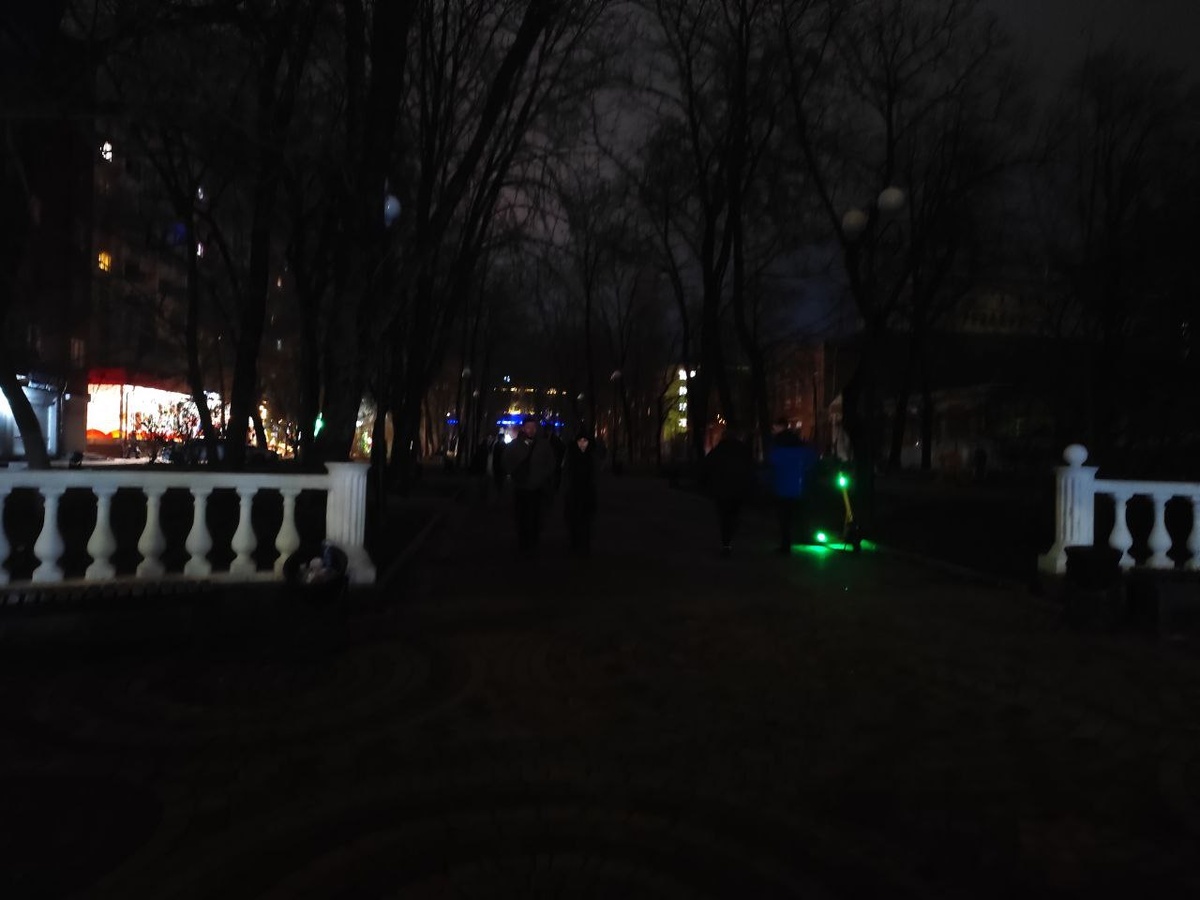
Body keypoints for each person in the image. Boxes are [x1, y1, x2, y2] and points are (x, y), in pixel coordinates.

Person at [503, 415, 558, 554]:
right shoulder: (514, 445)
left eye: (533, 427)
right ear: (523, 428)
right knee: (522, 517)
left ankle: (533, 542)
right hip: (521, 487)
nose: (531, 430)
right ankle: (524, 543)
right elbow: (506, 462)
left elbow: (551, 463)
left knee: (536, 517)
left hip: (538, 488)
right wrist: (515, 474)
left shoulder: (543, 445)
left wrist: (542, 476)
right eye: (528, 427)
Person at [701, 423, 756, 557]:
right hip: (738, 488)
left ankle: (726, 541)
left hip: (722, 488)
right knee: (734, 514)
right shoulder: (743, 450)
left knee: (724, 516)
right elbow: (750, 469)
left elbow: (707, 465)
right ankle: (731, 534)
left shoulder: (719, 449)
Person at [768, 418, 818, 553]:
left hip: (782, 485)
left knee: (784, 517)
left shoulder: (777, 447)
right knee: (797, 514)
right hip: (799, 486)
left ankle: (786, 544)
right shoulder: (800, 446)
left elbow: (772, 464)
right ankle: (803, 536)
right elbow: (812, 460)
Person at [562, 427, 599, 555]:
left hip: (587, 494)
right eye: (580, 441)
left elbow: (595, 475)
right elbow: (566, 474)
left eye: (585, 441)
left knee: (586, 521)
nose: (582, 444)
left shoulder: (591, 456)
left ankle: (584, 545)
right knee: (574, 520)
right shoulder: (572, 456)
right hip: (574, 493)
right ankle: (575, 543)